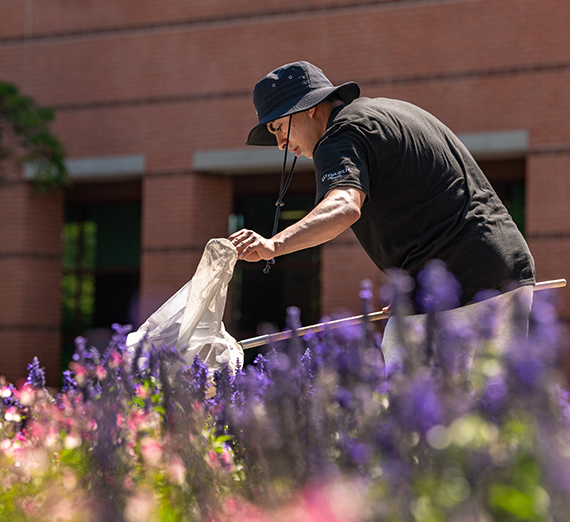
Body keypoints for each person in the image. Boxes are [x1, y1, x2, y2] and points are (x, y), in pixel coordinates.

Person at [229, 61, 535, 366]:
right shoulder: (386, 113)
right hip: (501, 269)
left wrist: (273, 246)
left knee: (412, 404)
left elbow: (344, 207)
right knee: (486, 402)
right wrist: (416, 287)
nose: (281, 143)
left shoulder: (339, 135)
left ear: (308, 107)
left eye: (279, 127)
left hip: (465, 280)